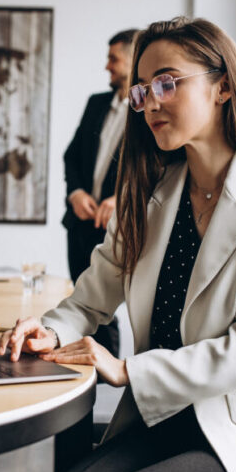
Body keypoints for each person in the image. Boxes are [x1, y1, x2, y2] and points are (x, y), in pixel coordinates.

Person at [0, 17, 236, 472]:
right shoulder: (150, 195)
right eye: (141, 91)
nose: (150, 102)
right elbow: (89, 299)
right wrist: (49, 332)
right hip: (164, 412)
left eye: (167, 82)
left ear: (222, 85)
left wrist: (124, 370)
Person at [62, 28, 138, 357]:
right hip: (81, 222)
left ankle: (104, 379)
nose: (107, 66)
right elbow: (72, 155)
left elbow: (156, 165)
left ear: (134, 59)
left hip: (117, 224)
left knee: (105, 311)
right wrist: (76, 192)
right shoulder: (96, 103)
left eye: (113, 59)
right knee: (80, 301)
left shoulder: (148, 108)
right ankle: (80, 369)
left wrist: (123, 197)